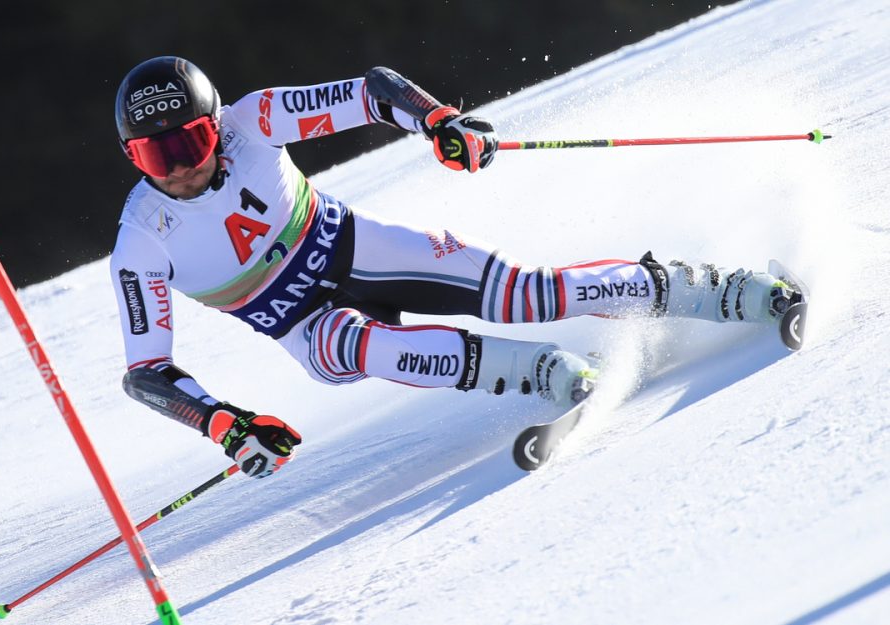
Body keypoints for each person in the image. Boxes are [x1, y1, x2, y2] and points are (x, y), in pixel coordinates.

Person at [111, 56, 799, 478]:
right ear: (132, 160)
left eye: (192, 142)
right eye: (156, 157)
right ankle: (545, 373)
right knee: (360, 346)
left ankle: (716, 290)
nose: (182, 170)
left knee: (525, 294)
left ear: (215, 122)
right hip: (301, 323)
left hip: (357, 248)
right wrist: (225, 424)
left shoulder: (254, 119)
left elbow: (369, 92)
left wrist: (436, 120)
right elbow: (147, 372)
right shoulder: (143, 239)